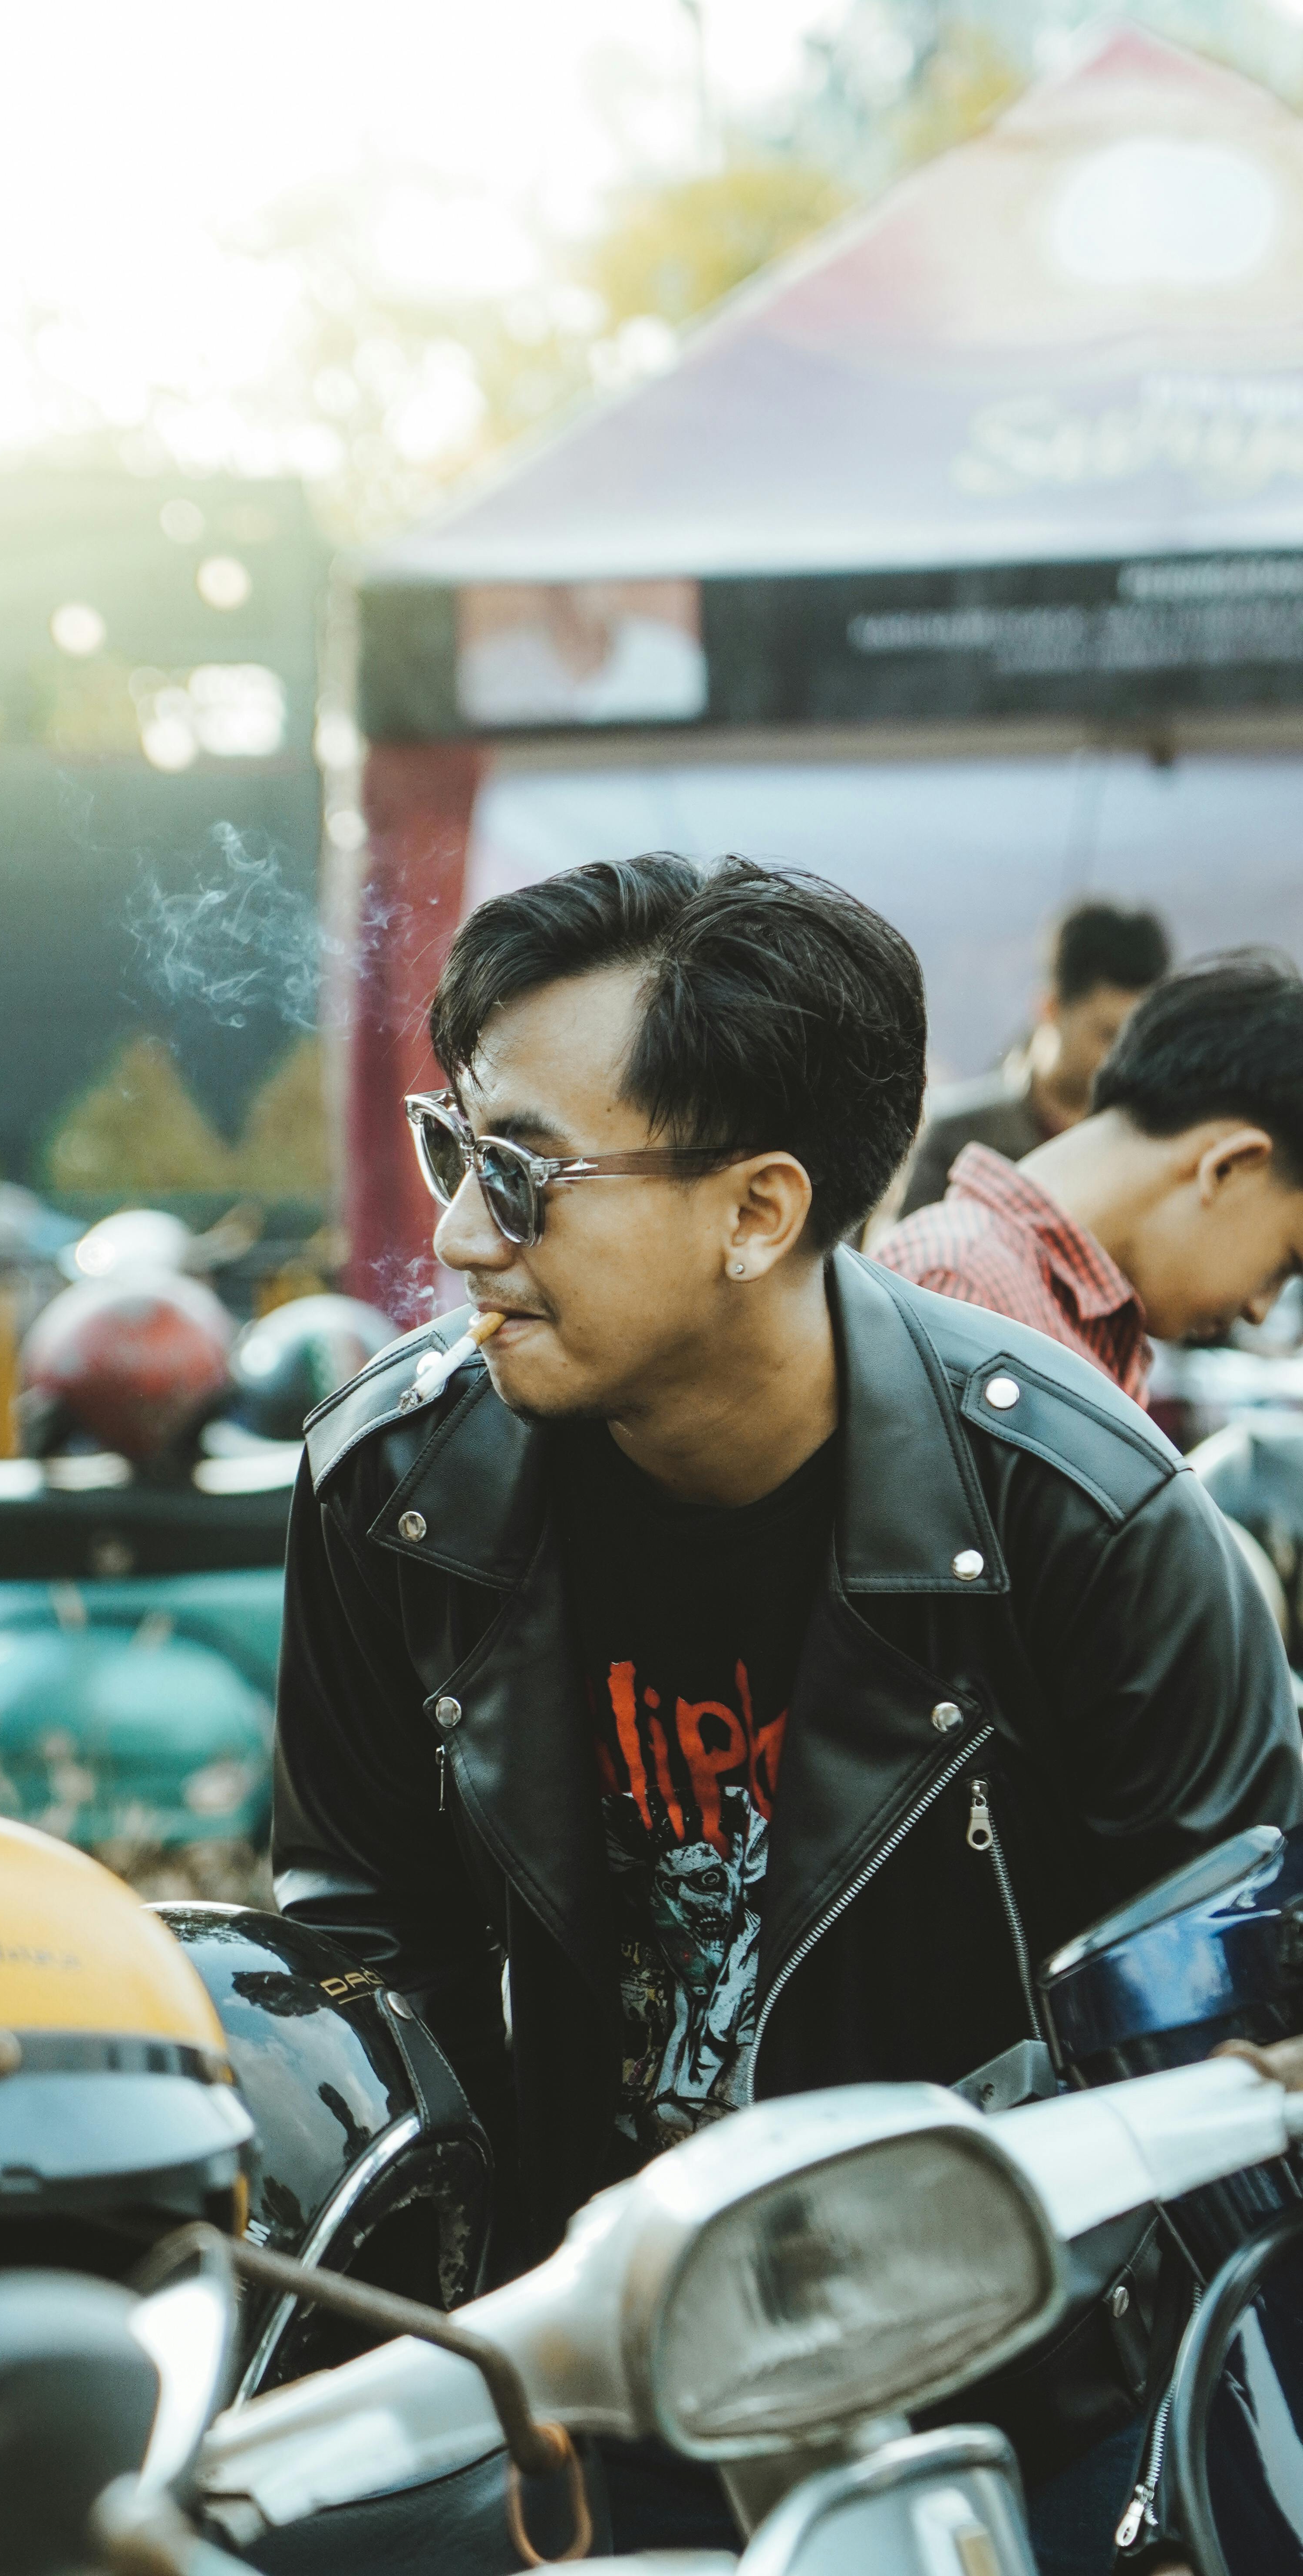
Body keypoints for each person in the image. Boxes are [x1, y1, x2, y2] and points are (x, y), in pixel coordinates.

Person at [272, 855, 1300, 2564]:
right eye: (454, 1151)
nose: (456, 1235)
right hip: (565, 2389)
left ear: (757, 1212)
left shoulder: (1083, 1524)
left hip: (1009, 2411)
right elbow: (364, 1947)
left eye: (520, 1173)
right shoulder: (394, 1489)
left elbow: (1233, 2064)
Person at [876, 954, 1303, 1406]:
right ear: (1227, 1167)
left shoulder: (1050, 1315)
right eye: (1282, 1266)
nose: (1260, 1310)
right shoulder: (966, 1292)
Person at [898, 898, 1171, 1217]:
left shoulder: (1149, 1142)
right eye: (1108, 1035)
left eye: (1140, 1039)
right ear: (1049, 1008)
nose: (1126, 1057)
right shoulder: (959, 1136)